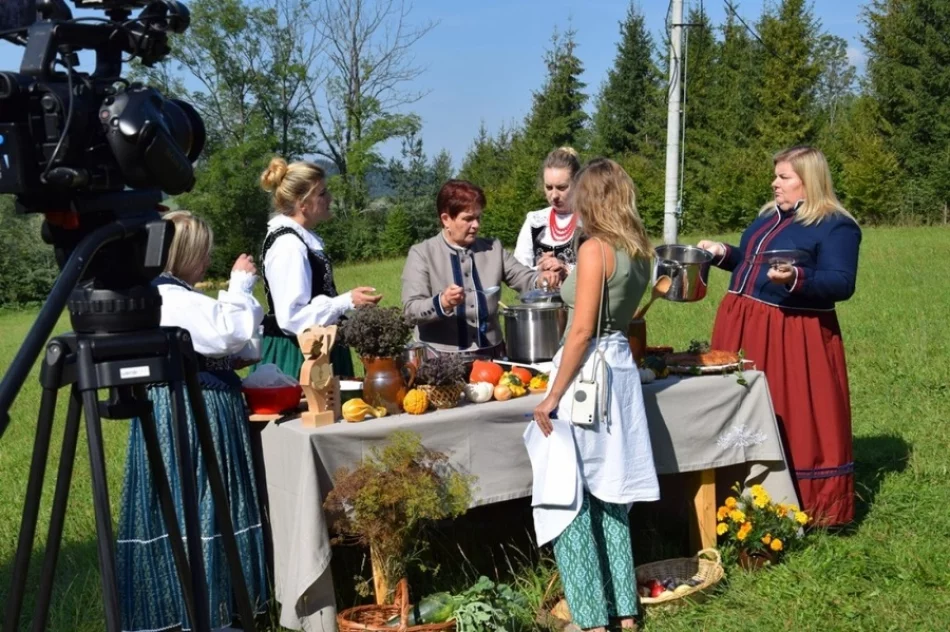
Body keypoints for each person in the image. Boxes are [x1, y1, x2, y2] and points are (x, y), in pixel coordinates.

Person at [117, 211, 269, 632]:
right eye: (201, 251)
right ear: (182, 253)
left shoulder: (173, 295)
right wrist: (240, 286)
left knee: (194, 502)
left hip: (188, 400)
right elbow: (227, 333)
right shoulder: (169, 296)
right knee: (202, 501)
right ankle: (209, 611)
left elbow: (225, 344)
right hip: (193, 407)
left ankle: (205, 608)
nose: (207, 258)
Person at [697, 145, 861, 527]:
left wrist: (797, 279)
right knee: (741, 407)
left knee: (791, 411)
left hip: (790, 334)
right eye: (776, 175)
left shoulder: (835, 225)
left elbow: (841, 282)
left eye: (784, 176)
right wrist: (722, 253)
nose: (774, 183)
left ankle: (801, 502)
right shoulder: (767, 219)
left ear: (809, 181)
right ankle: (737, 492)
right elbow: (751, 265)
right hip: (742, 324)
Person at [530, 159, 660, 632]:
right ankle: (625, 609)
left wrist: (551, 397)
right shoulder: (640, 249)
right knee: (612, 491)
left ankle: (589, 617)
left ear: (594, 198)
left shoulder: (595, 250)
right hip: (620, 367)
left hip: (588, 376)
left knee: (572, 492)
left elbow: (582, 330)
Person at [401, 179, 562, 355]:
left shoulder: (494, 248)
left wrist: (542, 278)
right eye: (468, 219)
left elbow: (524, 277)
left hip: (492, 354)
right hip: (439, 359)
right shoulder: (421, 253)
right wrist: (442, 302)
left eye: (478, 217)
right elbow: (410, 311)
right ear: (446, 219)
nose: (476, 225)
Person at [257, 157, 381, 379]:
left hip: (318, 348)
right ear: (302, 203)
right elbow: (291, 318)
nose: (330, 198)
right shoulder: (289, 245)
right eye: (322, 194)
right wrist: (346, 301)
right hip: (300, 356)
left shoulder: (303, 238)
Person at [513, 147, 584, 274]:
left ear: (577, 183)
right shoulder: (535, 221)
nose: (554, 195)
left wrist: (566, 268)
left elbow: (600, 267)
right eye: (549, 187)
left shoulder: (589, 220)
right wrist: (540, 269)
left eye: (561, 187)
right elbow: (518, 269)